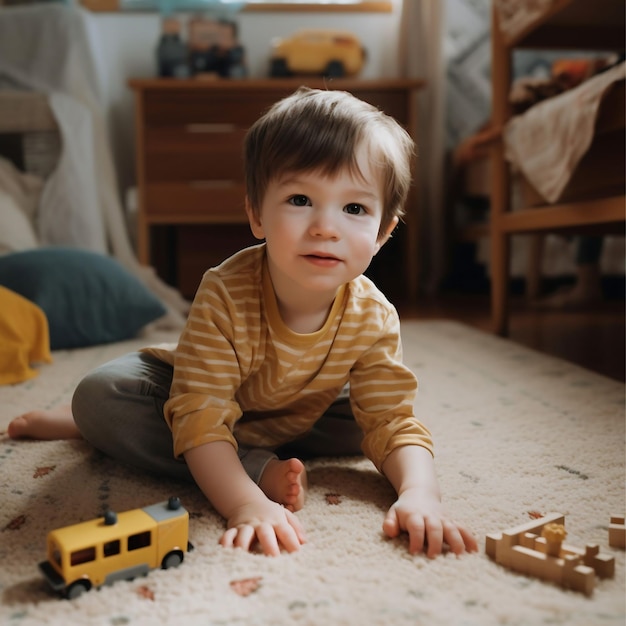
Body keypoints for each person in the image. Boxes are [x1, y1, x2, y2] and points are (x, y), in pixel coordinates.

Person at [9, 87, 478, 559]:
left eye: (353, 208)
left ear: (382, 233)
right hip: (201, 391)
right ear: (256, 213)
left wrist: (419, 495)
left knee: (365, 422)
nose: (325, 227)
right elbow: (201, 411)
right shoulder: (225, 292)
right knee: (101, 397)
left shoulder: (373, 316)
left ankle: (242, 447)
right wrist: (247, 502)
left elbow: (393, 420)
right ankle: (232, 459)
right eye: (300, 199)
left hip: (302, 406)